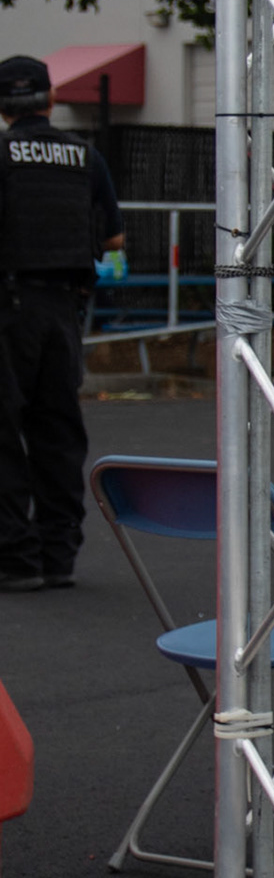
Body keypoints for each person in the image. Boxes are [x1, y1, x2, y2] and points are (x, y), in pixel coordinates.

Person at [0, 56, 125, 592]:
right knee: (58, 433)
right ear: (50, 101)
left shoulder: (2, 155)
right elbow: (114, 241)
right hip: (64, 312)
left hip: (8, 307)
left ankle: (16, 558)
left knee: (4, 433)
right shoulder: (84, 156)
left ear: (4, 109)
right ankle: (58, 554)